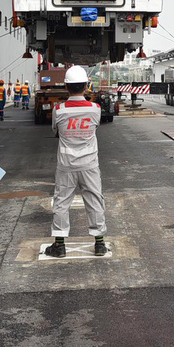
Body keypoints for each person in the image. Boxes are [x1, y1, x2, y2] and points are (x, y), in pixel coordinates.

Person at [44, 66, 108, 258]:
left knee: (62, 202)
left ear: (66, 86)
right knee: (94, 199)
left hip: (66, 164)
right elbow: (95, 126)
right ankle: (99, 244)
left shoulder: (59, 109)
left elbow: (55, 130)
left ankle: (60, 244)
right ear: (87, 85)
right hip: (89, 164)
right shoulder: (95, 109)